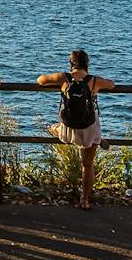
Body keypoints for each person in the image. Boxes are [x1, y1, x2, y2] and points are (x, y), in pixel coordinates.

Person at [38, 50, 114, 210]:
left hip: (68, 129)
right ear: (87, 64)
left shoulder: (63, 78)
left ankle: (54, 129)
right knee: (87, 164)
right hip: (89, 129)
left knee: (54, 127)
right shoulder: (94, 81)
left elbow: (41, 80)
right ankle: (84, 200)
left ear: (70, 63)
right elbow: (112, 84)